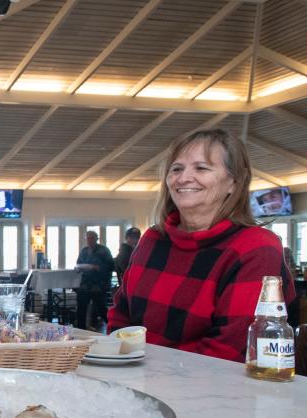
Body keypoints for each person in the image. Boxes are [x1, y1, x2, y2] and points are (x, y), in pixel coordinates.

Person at [109, 128, 296, 362]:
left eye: (201, 168)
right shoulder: (152, 239)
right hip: (136, 379)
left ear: (234, 182)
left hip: (210, 390)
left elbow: (228, 351)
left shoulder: (256, 247)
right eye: (176, 169)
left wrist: (145, 374)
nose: (183, 178)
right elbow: (121, 316)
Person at [74, 231, 114, 330]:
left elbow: (111, 266)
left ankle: (113, 328)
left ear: (97, 238)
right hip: (85, 284)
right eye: (88, 238)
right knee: (81, 308)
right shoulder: (84, 251)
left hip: (99, 284)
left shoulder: (104, 250)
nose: (90, 240)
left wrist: (97, 267)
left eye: (92, 238)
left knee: (101, 309)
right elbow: (79, 263)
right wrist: (78, 268)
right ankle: (81, 329)